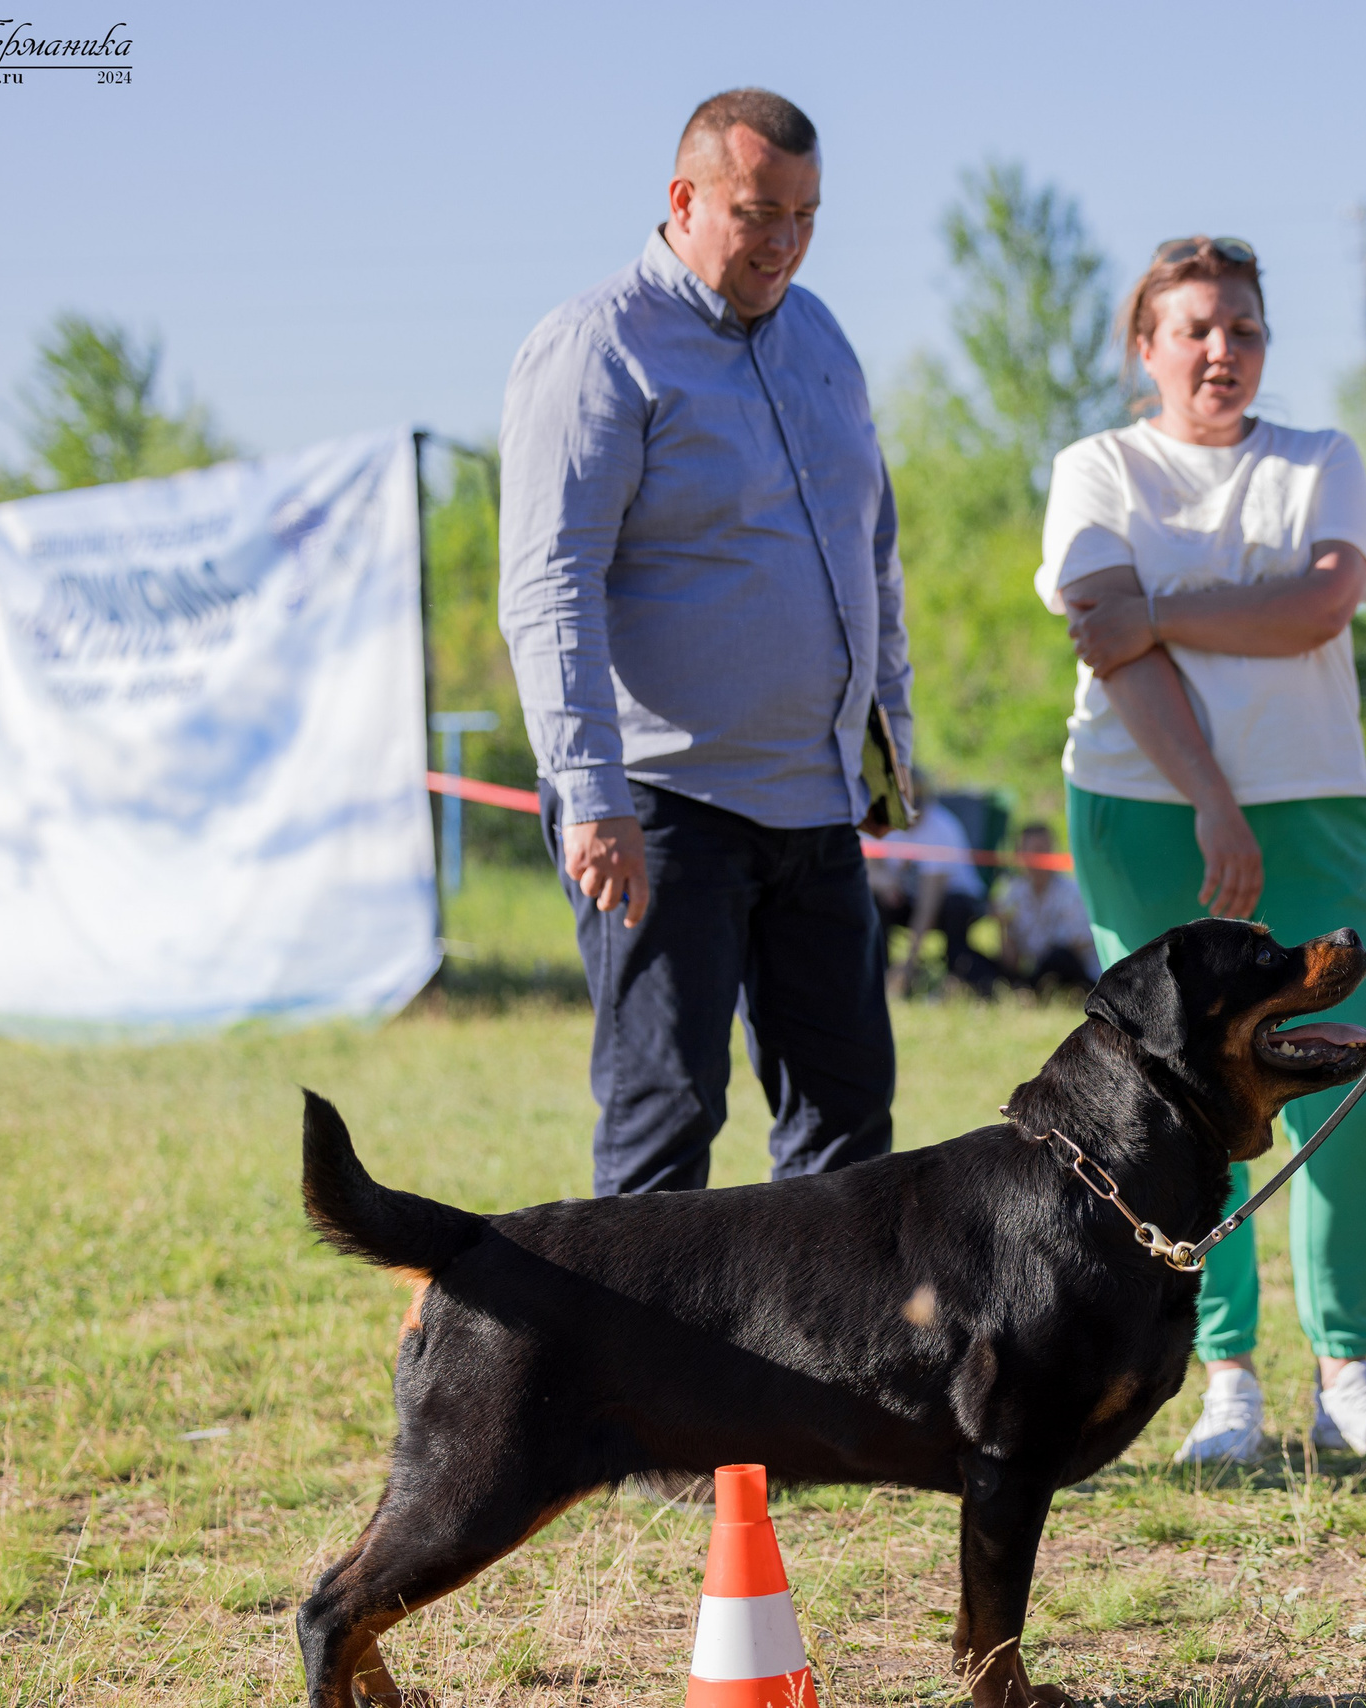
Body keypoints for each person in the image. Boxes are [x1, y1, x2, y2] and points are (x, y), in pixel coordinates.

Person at [1039, 235, 1366, 1464]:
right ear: (1144, 348)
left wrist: (1158, 609)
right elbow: (1109, 648)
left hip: (1312, 797)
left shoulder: (1320, 461)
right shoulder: (1096, 468)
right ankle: (1224, 1378)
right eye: (1195, 328)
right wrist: (1212, 799)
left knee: (1344, 1080)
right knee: (1175, 1094)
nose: (1223, 350)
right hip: (1141, 804)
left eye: (1245, 328)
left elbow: (1318, 604)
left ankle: (1347, 1368)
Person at [498, 88, 909, 1197]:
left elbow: (872, 550)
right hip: (661, 805)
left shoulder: (822, 338)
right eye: (758, 213)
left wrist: (886, 750)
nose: (786, 243)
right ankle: (632, 1329)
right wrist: (592, 797)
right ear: (683, 200)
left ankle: (814, 1328)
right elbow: (549, 586)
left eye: (807, 217)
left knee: (848, 1120)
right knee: (666, 1120)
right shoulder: (595, 347)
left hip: (817, 805)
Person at [870, 773, 999, 999]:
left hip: (951, 902)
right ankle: (877, 975)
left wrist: (908, 963)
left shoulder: (941, 829)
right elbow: (867, 869)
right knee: (873, 901)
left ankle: (956, 979)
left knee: (953, 908)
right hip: (909, 898)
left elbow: (928, 905)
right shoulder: (881, 821)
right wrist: (887, 883)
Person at [991, 821, 1100, 995]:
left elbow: (1076, 949)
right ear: (1019, 855)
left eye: (1045, 850)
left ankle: (1029, 990)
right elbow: (1011, 963)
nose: (1041, 857)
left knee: (1058, 958)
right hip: (1038, 972)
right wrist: (1003, 927)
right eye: (1034, 851)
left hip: (1078, 976)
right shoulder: (1013, 893)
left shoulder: (1071, 892)